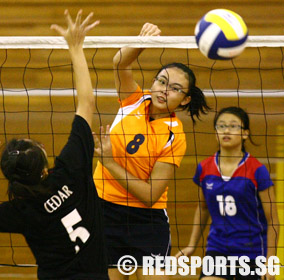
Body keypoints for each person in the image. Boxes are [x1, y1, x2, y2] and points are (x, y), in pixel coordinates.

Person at [0, 10, 108, 279]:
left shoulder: (20, 211)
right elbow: (87, 104)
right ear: (44, 168)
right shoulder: (71, 169)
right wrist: (76, 48)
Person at [93, 23, 210, 280]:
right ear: (153, 82)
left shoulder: (174, 136)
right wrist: (142, 41)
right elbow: (119, 63)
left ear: (186, 99)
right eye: (162, 81)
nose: (164, 91)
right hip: (104, 211)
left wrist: (110, 163)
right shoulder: (134, 99)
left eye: (175, 89)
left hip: (146, 220)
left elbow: (150, 195)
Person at [175, 107, 279, 280]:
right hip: (218, 249)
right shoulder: (204, 167)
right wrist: (192, 245)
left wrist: (270, 261)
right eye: (221, 126)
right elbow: (202, 209)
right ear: (216, 133)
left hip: (252, 252)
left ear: (245, 134)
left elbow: (273, 220)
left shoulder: (257, 170)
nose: (226, 130)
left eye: (233, 126)